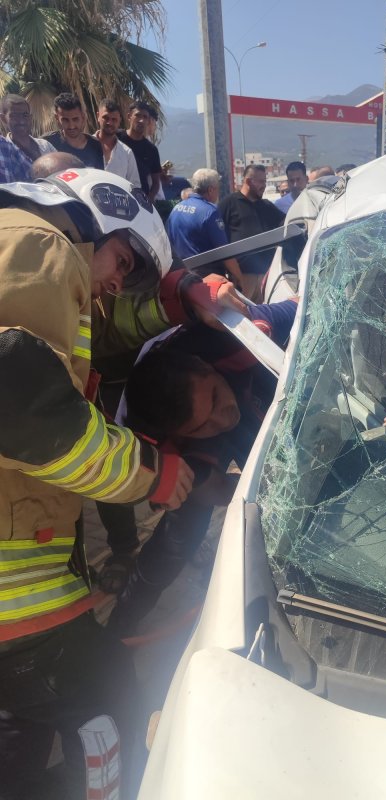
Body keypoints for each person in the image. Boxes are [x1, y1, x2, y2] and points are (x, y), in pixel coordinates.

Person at [0, 167, 198, 799]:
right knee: (108, 713)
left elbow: (80, 344)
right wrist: (149, 475)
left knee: (22, 740)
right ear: (95, 217)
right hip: (16, 594)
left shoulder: (21, 240)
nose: (117, 283)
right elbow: (26, 409)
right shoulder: (44, 246)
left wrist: (176, 298)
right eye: (124, 262)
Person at [106, 295, 298, 636]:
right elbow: (219, 490)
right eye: (203, 424)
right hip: (182, 449)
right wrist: (265, 496)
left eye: (213, 398)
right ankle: (123, 620)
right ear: (177, 434)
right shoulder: (146, 444)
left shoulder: (233, 334)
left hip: (242, 378)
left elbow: (302, 303)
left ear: (204, 366)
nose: (222, 417)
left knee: (290, 462)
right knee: (179, 540)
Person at [218, 163, 285, 301]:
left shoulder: (267, 206)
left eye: (265, 181)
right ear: (248, 181)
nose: (264, 185)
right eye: (261, 182)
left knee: (265, 316)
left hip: (267, 276)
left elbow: (286, 223)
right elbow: (219, 239)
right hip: (242, 277)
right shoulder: (229, 204)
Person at [167, 167, 243, 287]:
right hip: (207, 280)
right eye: (218, 188)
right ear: (211, 190)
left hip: (181, 277)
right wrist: (239, 277)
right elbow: (224, 252)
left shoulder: (176, 208)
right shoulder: (210, 211)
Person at [43, 92, 104, 169]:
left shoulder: (95, 145)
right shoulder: (47, 143)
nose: (71, 126)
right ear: (57, 118)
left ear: (83, 117)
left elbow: (99, 176)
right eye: (65, 120)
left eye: (75, 119)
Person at [117, 100, 161, 201]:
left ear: (148, 121)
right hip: (116, 198)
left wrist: (148, 199)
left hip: (140, 201)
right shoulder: (116, 138)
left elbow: (156, 183)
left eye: (145, 117)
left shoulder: (152, 150)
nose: (141, 120)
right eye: (137, 115)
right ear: (129, 117)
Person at [95, 98, 141, 186]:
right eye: (106, 118)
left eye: (114, 119)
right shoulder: (85, 146)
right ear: (98, 116)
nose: (110, 123)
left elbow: (135, 186)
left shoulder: (127, 153)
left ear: (119, 120)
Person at [0, 94, 56, 163]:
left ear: (30, 117)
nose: (21, 121)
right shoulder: (3, 154)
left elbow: (62, 171)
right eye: (14, 115)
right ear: (3, 119)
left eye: (25, 115)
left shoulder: (45, 145)